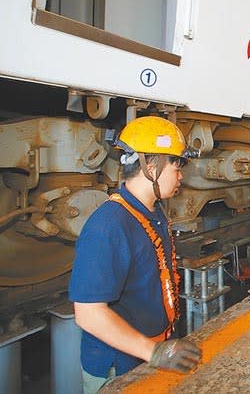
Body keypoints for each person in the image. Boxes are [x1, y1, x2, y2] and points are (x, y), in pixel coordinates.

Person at [69, 116, 202, 393]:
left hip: (150, 352)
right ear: (151, 168)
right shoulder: (108, 226)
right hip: (119, 368)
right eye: (176, 166)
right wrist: (153, 352)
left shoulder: (152, 212)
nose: (181, 176)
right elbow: (88, 314)